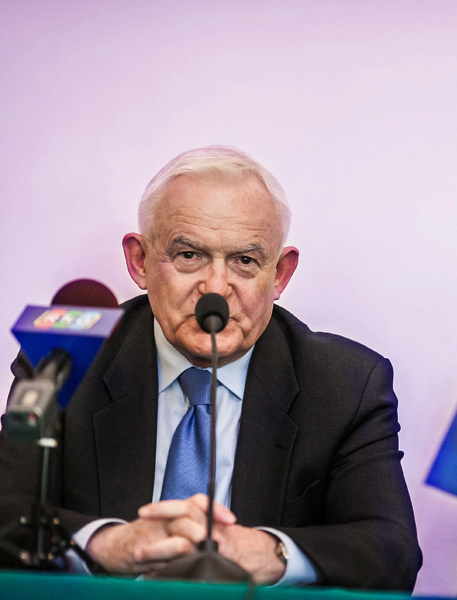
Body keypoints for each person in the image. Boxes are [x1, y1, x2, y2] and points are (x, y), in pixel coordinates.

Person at [0, 146, 422, 590]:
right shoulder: (67, 361)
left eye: (245, 261)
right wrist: (107, 544)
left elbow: (391, 551)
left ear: (279, 274)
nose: (216, 289)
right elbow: (6, 510)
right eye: (189, 255)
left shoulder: (344, 384)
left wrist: (271, 552)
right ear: (140, 261)